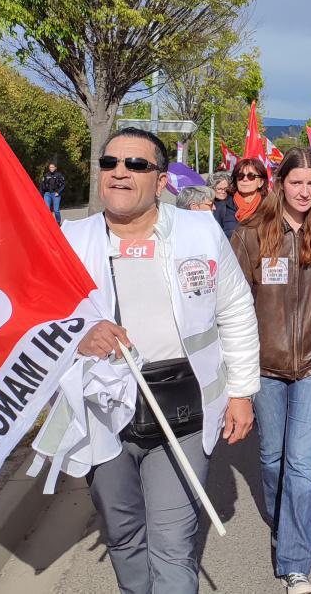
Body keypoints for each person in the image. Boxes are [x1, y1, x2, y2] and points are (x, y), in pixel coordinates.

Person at [32, 127, 259, 594]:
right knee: (123, 534)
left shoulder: (200, 231)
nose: (120, 172)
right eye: (110, 163)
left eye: (136, 165)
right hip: (102, 413)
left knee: (174, 545)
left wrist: (241, 393)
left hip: (183, 410)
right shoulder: (68, 242)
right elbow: (35, 321)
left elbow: (235, 311)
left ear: (159, 182)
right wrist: (79, 335)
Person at [231, 148, 311, 594]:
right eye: (296, 182)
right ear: (280, 183)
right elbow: (234, 306)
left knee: (301, 464)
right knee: (271, 459)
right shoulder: (250, 234)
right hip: (263, 367)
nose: (304, 191)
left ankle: (295, 561)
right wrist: (234, 373)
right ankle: (282, 519)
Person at [232, 158, 268, 224]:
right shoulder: (224, 206)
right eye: (240, 176)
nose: (245, 179)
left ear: (261, 183)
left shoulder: (270, 207)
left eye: (251, 176)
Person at [211, 172, 239, 238]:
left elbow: (230, 230)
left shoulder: (232, 202)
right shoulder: (207, 202)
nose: (223, 192)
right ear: (211, 188)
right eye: (219, 189)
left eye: (225, 188)